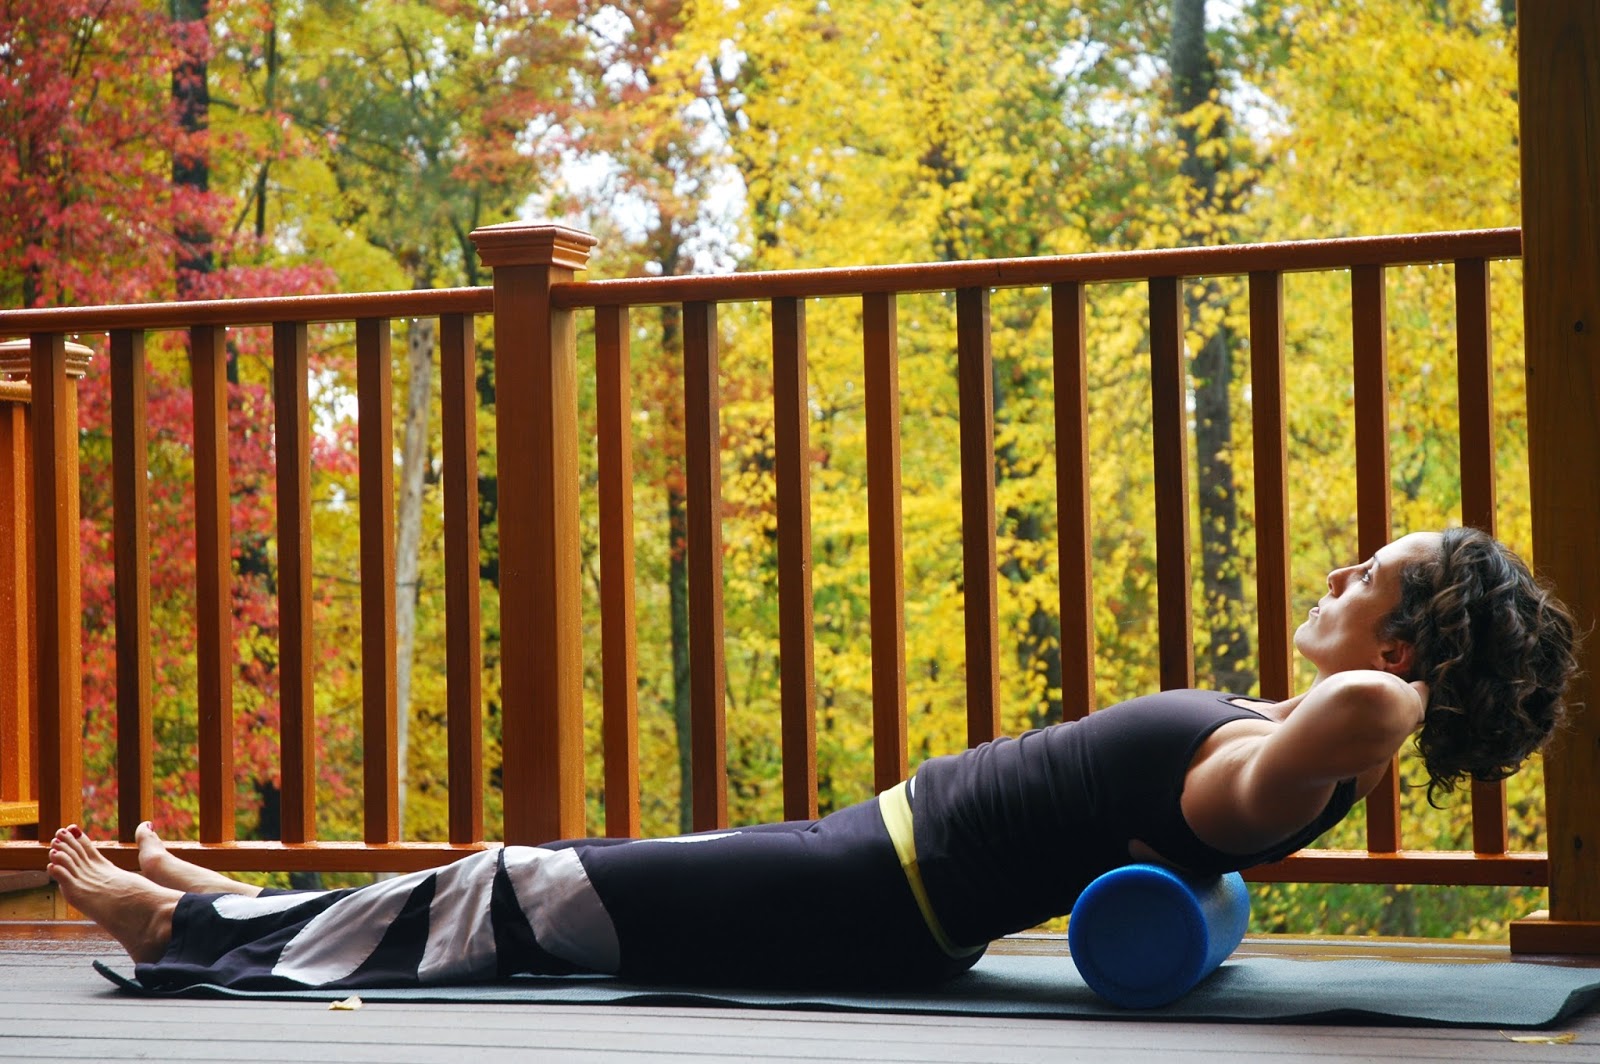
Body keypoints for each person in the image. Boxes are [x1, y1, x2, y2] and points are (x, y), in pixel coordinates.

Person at [48, 528, 1578, 992]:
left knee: (522, 889)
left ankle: (189, 931)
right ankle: (252, 899)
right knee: (527, 884)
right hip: (879, 860)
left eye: (1374, 571)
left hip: (876, 894)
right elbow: (1360, 705)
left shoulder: (1311, 755)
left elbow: (1374, 714)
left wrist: (1415, 674)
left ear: (1411, 648)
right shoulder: (1289, 750)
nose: (1337, 573)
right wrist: (1406, 651)